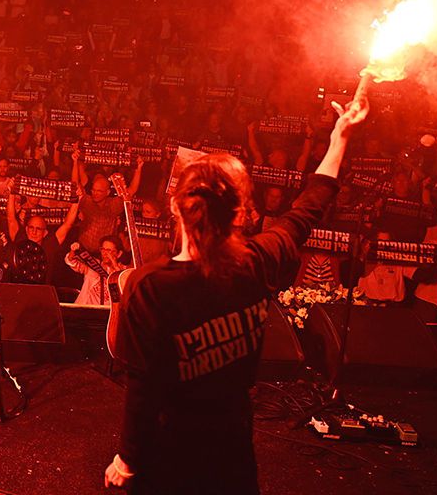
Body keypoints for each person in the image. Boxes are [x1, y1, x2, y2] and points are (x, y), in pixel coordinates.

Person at [103, 95, 366, 494]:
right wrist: (339, 139)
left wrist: (127, 458)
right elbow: (307, 209)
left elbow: (144, 388)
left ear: (176, 207)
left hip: (169, 452)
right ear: (239, 212)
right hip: (232, 444)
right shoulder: (257, 261)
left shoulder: (149, 286)